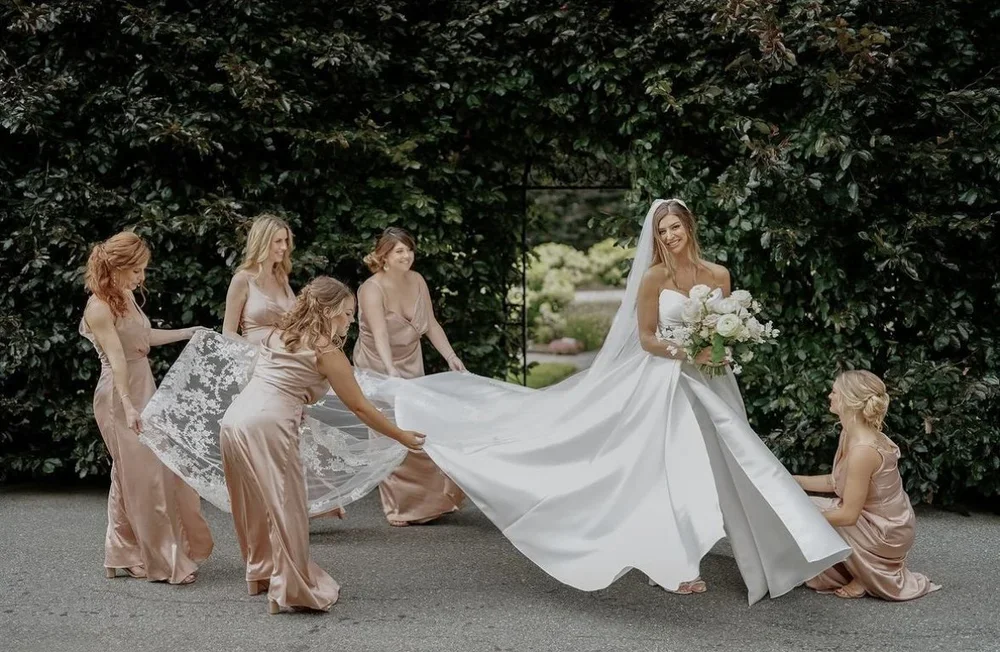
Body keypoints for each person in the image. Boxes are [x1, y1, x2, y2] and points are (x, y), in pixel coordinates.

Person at [377, 199, 852, 603]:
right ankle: (676, 559)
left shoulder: (719, 274)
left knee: (733, 462)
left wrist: (718, 351)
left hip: (713, 379)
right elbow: (647, 338)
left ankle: (774, 548)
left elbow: (726, 329)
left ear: (689, 227)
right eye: (662, 230)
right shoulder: (652, 280)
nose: (671, 236)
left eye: (676, 227)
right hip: (666, 382)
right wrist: (686, 350)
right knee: (667, 468)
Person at [218, 276, 426, 614]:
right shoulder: (326, 352)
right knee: (288, 507)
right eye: (346, 313)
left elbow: (271, 377)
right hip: (269, 425)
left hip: (235, 420)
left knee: (252, 502)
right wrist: (400, 435)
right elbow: (359, 406)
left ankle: (259, 573)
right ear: (328, 311)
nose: (349, 321)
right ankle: (291, 589)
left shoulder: (279, 333)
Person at [80, 231, 213, 584]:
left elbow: (144, 339)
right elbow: (118, 361)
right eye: (137, 270)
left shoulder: (124, 296)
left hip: (143, 386)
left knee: (134, 475)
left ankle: (121, 551)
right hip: (118, 395)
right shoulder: (99, 307)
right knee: (143, 478)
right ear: (118, 267)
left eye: (143, 270)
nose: (142, 277)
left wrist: (189, 332)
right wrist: (129, 406)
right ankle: (160, 560)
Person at [353, 227, 466, 526]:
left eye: (409, 250)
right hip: (377, 366)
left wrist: (451, 357)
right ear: (384, 257)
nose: (407, 255)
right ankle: (400, 508)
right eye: (399, 251)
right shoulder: (370, 289)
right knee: (389, 433)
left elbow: (430, 324)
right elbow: (379, 335)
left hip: (411, 363)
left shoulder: (417, 281)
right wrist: (390, 373)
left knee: (419, 428)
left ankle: (432, 501)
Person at [794, 370, 941, 600]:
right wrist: (793, 481)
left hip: (886, 531)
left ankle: (865, 574)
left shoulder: (863, 450)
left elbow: (847, 516)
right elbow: (835, 481)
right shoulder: (849, 433)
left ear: (849, 401)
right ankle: (854, 568)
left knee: (801, 511)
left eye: (834, 392)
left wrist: (798, 517)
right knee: (798, 503)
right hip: (873, 519)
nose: (829, 396)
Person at [222, 214, 296, 344]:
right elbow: (228, 333)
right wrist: (257, 353)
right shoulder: (242, 280)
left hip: (289, 355)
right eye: (278, 241)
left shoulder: (281, 278)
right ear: (263, 242)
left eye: (286, 241)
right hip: (258, 359)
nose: (284, 247)